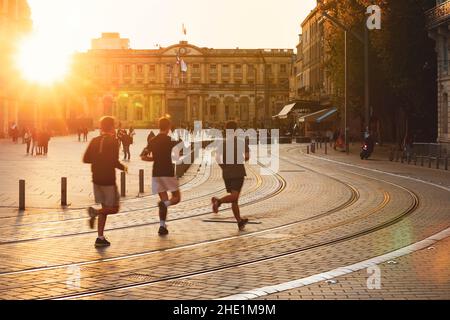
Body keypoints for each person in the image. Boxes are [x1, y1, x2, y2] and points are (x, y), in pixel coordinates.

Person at [84, 116, 127, 247]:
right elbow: (113, 161)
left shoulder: (94, 140)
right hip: (108, 179)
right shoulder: (113, 141)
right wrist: (123, 167)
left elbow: (86, 159)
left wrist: (97, 159)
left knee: (105, 208)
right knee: (114, 208)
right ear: (112, 127)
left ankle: (100, 237)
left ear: (101, 127)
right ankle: (94, 212)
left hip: (96, 179)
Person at [141, 117, 181, 236]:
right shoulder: (172, 140)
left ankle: (162, 226)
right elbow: (178, 155)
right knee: (176, 197)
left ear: (159, 126)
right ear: (168, 127)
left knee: (163, 198)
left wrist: (153, 158)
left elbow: (143, 156)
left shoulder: (152, 140)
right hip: (168, 172)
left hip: (156, 173)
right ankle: (165, 205)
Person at [211, 120, 249, 231]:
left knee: (234, 200)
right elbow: (247, 157)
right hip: (238, 172)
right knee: (235, 196)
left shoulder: (222, 143)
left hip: (226, 174)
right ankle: (218, 201)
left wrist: (224, 167)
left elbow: (217, 158)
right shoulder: (241, 142)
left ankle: (239, 222)